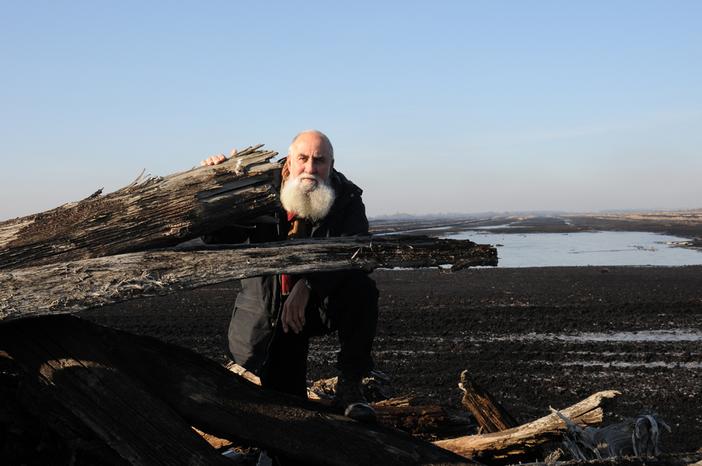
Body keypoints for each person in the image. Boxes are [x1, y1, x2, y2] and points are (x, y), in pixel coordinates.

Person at [201, 130, 379, 421]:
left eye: (319, 161)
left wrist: (309, 285)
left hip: (317, 305)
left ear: (331, 165)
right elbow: (217, 236)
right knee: (288, 410)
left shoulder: (346, 198)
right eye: (303, 158)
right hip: (270, 313)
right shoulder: (259, 190)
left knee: (362, 288)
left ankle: (350, 388)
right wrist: (216, 186)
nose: (310, 168)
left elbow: (356, 256)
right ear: (290, 160)